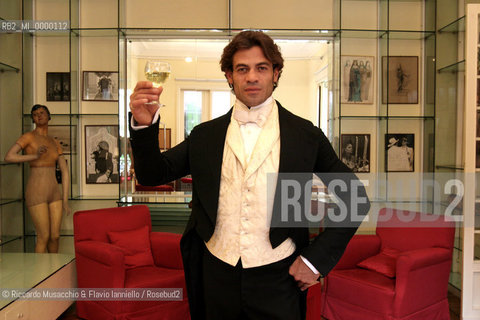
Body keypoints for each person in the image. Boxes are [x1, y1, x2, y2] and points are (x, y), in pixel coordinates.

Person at [129, 31, 370, 320]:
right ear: (229, 76)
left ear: (276, 73)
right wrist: (143, 127)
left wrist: (314, 260)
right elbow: (153, 173)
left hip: (280, 275)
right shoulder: (204, 136)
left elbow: (355, 198)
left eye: (262, 68)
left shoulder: (306, 135)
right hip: (214, 272)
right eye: (242, 69)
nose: (252, 77)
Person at [4, 104, 71, 253]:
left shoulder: (54, 142)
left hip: (54, 192)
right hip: (36, 191)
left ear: (49, 116)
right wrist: (34, 156)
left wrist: (65, 199)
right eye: (35, 114)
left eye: (42, 113)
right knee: (43, 236)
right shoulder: (28, 137)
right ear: (33, 119)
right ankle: (40, 274)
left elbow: (65, 171)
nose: (39, 116)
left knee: (55, 236)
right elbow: (9, 156)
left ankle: (55, 271)